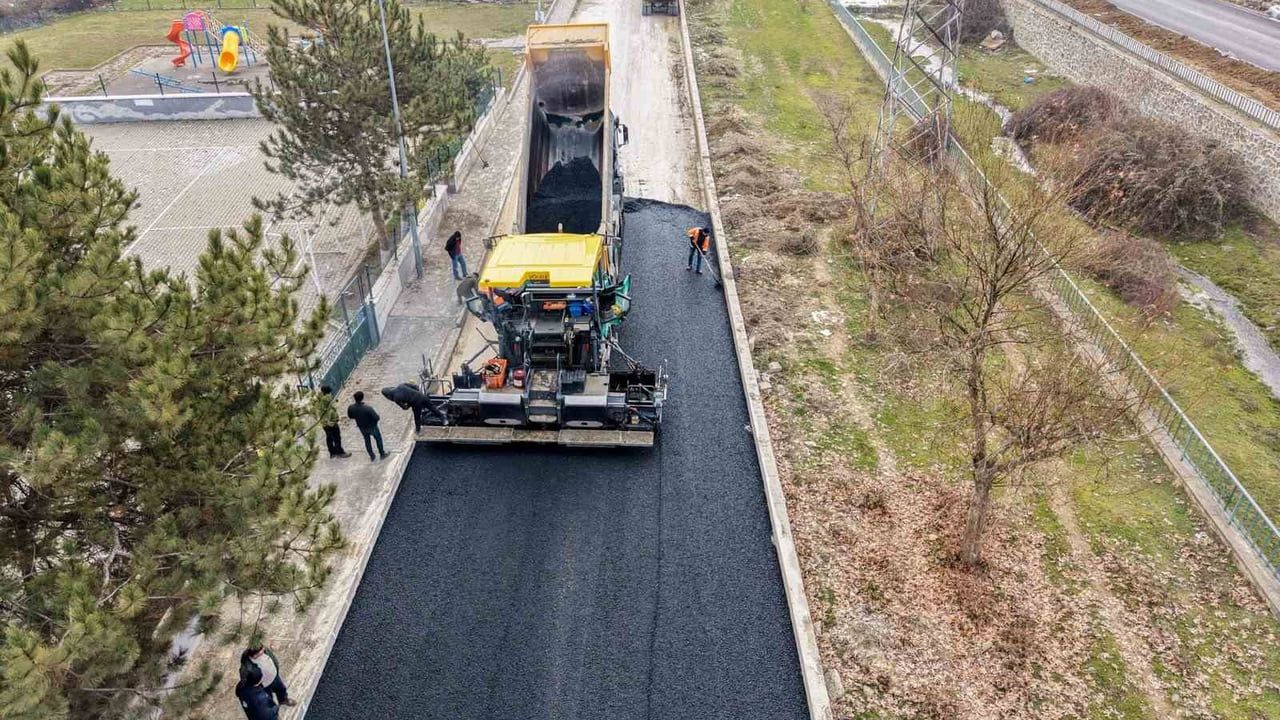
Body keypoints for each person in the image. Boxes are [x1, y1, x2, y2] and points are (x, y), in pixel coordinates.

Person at [240, 642, 296, 709]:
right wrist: (253, 685)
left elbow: (270, 655)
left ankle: (283, 700)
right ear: (254, 656)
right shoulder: (247, 667)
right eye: (261, 652)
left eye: (263, 649)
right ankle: (273, 712)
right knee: (268, 699)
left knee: (281, 689)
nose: (264, 650)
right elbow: (244, 679)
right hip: (264, 685)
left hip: (275, 677)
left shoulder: (264, 650)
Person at [347, 390, 388, 462]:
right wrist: (374, 422)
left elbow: (350, 416)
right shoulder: (368, 408)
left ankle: (372, 456)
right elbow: (377, 417)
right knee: (378, 439)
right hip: (372, 426)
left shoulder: (351, 408)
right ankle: (382, 454)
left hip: (362, 427)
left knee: (367, 441)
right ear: (362, 398)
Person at [320, 385, 350, 459]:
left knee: (329, 438)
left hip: (324, 423)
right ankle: (340, 452)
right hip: (331, 423)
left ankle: (332, 453)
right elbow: (333, 409)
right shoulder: (327, 399)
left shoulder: (320, 401)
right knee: (337, 438)